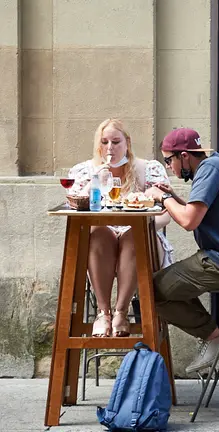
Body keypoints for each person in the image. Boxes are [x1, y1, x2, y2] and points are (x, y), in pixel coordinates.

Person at [144, 128, 219, 374]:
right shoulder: (216, 165)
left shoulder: (209, 170)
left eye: (169, 160)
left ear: (184, 156)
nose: (169, 167)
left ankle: (214, 338)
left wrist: (162, 198)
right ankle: (212, 336)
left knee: (149, 291)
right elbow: (196, 213)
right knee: (166, 286)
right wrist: (172, 196)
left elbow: (189, 221)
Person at [68, 119, 175, 338]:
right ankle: (103, 312)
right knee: (98, 233)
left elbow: (168, 213)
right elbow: (74, 206)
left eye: (116, 142)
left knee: (135, 236)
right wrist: (95, 179)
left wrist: (141, 224)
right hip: (100, 243)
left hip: (141, 241)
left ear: (127, 142)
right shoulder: (85, 171)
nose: (110, 148)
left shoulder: (148, 169)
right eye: (104, 142)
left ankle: (121, 312)